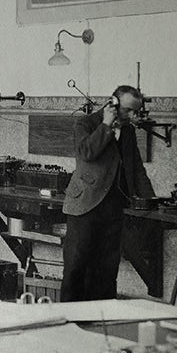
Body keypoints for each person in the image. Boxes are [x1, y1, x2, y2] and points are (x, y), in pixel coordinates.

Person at [60, 85, 155, 301]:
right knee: (76, 268)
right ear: (112, 103)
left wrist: (151, 201)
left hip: (114, 208)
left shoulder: (129, 131)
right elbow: (86, 153)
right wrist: (106, 124)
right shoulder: (86, 123)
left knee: (107, 270)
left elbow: (137, 169)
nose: (132, 116)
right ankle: (67, 321)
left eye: (135, 112)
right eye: (128, 110)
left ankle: (102, 319)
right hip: (86, 205)